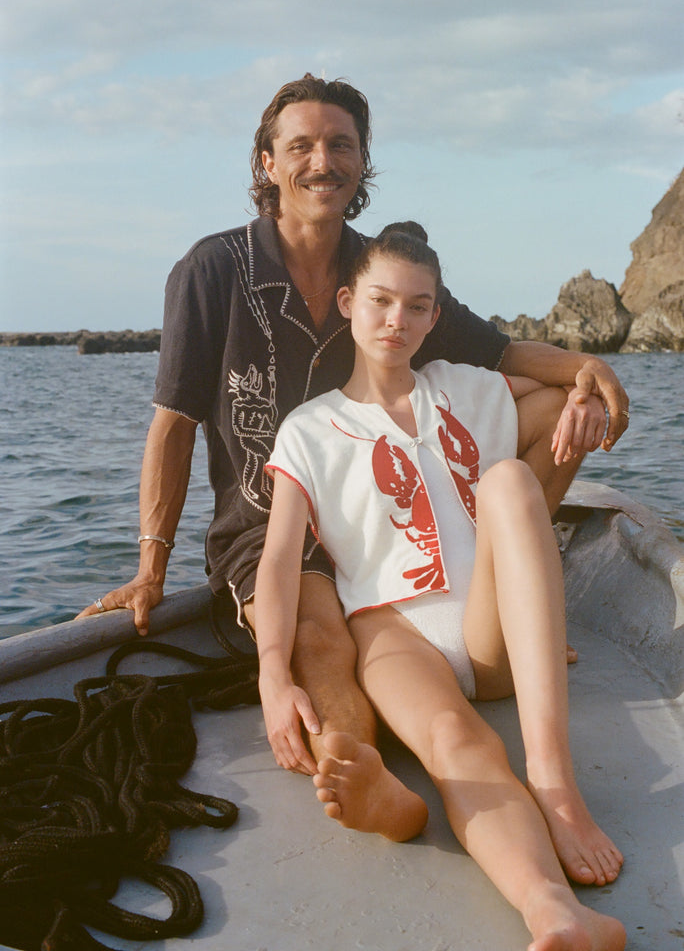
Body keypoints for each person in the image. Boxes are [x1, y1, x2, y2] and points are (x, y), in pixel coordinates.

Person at [77, 73, 629, 788]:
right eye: (300, 145)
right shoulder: (212, 270)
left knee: (555, 409)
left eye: (341, 144)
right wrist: (152, 568)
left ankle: (516, 608)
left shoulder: (380, 274)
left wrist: (587, 371)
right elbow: (173, 425)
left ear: (363, 162)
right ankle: (357, 767)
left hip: (386, 503)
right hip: (276, 519)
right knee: (316, 635)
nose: (322, 161)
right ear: (266, 164)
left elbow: (503, 353)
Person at [254, 223, 626, 951]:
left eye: (418, 306)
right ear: (348, 301)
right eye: (382, 301)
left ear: (434, 317)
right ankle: (554, 912)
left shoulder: (471, 389)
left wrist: (584, 393)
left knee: (511, 478)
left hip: (486, 626)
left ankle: (554, 782)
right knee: (457, 741)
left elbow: (567, 384)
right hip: (393, 633)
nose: (398, 320)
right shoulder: (310, 427)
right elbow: (277, 561)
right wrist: (273, 672)